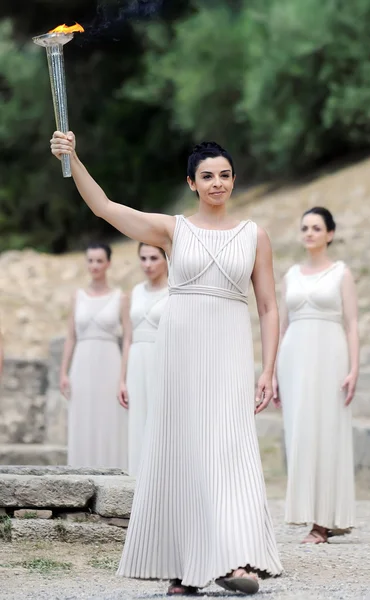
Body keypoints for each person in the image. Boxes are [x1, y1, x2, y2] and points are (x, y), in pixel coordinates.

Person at [50, 132, 283, 595]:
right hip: (182, 356)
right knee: (182, 451)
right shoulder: (174, 229)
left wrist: (269, 369)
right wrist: (72, 157)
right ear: (192, 183)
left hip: (231, 353)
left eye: (224, 175)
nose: (217, 183)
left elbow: (269, 308)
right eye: (207, 176)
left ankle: (235, 559)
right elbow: (105, 208)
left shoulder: (254, 235)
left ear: (233, 179)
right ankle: (183, 567)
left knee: (230, 450)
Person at [276, 207, 359, 544]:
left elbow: (352, 324)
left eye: (316, 228)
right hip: (294, 359)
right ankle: (312, 515)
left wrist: (354, 367)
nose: (309, 233)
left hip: (331, 357)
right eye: (305, 228)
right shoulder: (290, 275)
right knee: (300, 433)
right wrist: (272, 372)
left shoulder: (342, 274)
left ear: (330, 234)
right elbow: (281, 327)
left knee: (328, 432)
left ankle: (324, 522)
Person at [59, 242, 129, 469]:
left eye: (99, 261)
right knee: (83, 418)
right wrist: (64, 372)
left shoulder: (121, 297)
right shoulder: (77, 296)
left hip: (109, 362)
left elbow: (128, 338)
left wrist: (122, 378)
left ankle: (112, 472)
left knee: (109, 419)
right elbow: (71, 336)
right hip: (82, 363)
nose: (94, 265)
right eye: (90, 260)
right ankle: (80, 472)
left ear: (108, 263)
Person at [118, 242, 169, 476]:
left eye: (154, 258)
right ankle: (137, 484)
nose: (148, 264)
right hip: (137, 360)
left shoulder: (175, 291)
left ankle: (163, 482)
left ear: (166, 258)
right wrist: (122, 379)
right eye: (143, 258)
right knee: (138, 423)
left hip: (163, 359)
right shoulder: (134, 293)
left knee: (162, 423)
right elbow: (127, 338)